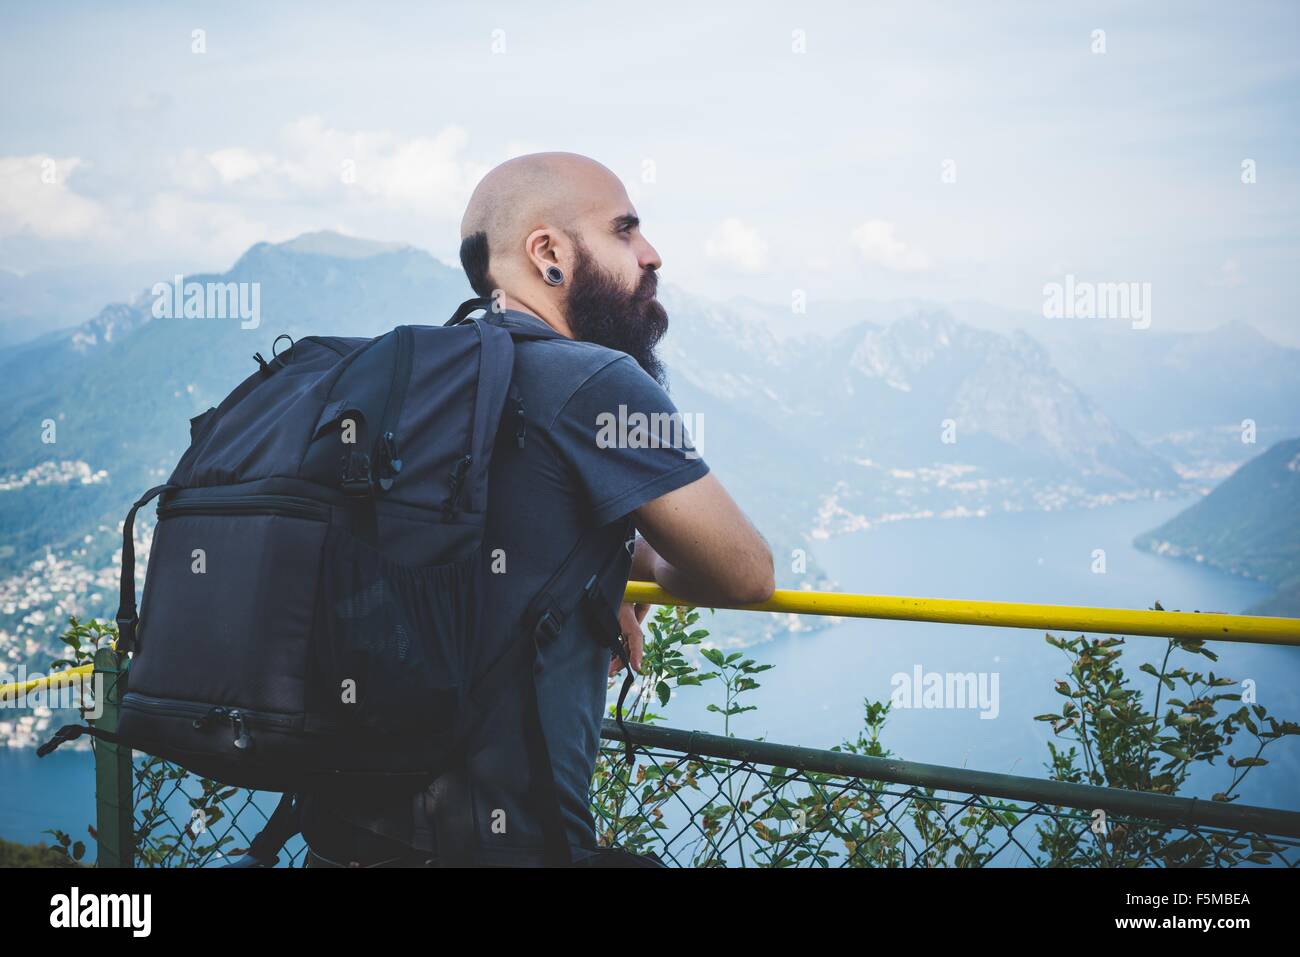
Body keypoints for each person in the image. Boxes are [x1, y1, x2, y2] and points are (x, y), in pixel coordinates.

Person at [300, 152, 774, 867]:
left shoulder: (432, 384)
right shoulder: (595, 380)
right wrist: (661, 574)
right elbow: (746, 572)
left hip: (345, 829)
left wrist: (605, 568)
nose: (653, 254)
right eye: (625, 231)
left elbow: (503, 536)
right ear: (548, 252)